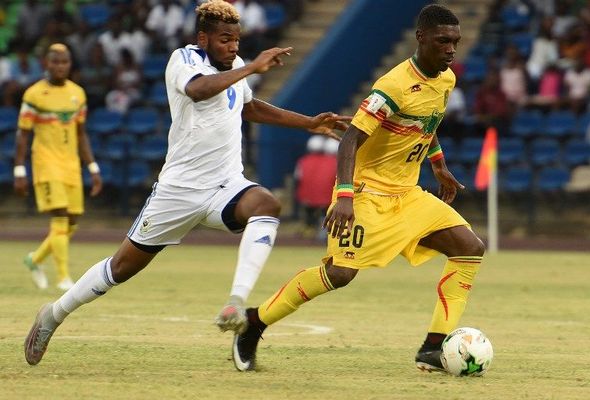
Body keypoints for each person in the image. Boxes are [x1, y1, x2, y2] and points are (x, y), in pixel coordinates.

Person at [23, 0, 348, 366]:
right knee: (120, 268)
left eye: (237, 40)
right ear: (203, 38)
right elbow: (198, 90)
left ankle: (235, 305)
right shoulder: (184, 60)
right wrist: (253, 67)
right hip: (178, 191)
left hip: (225, 184)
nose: (233, 47)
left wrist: (308, 122)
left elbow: (248, 107)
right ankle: (53, 314)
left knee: (266, 204)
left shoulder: (237, 67)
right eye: (225, 40)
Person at [232, 4, 486, 373]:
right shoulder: (393, 86)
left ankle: (433, 347)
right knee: (340, 274)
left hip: (407, 194)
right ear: (421, 38)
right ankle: (254, 323)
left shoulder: (446, 80)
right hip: (366, 193)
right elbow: (349, 139)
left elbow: (426, 125)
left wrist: (439, 165)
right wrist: (346, 198)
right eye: (443, 41)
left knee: (469, 249)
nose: (451, 49)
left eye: (456, 42)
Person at [14, 43, 103, 291]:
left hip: (70, 164)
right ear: (46, 63)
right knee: (61, 216)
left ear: (70, 64)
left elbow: (81, 134)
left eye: (64, 62)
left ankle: (34, 259)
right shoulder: (34, 95)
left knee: (72, 221)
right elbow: (22, 134)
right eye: (55, 62)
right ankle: (64, 277)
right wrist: (19, 169)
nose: (60, 66)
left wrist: (93, 168)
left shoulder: (78, 94)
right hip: (46, 162)